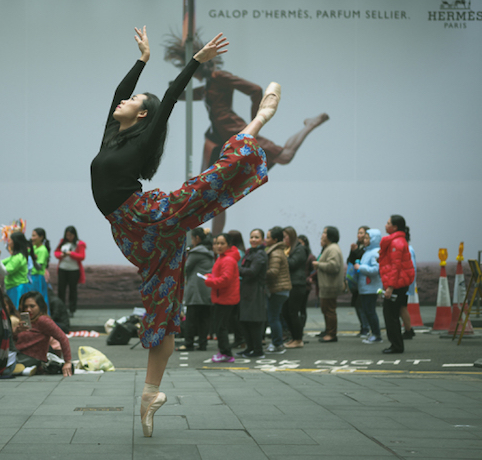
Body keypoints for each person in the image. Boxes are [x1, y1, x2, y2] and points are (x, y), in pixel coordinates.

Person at [89, 26, 277, 437]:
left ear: (142, 116)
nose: (124, 99)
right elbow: (117, 94)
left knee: (204, 187)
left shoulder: (141, 141)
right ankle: (150, 394)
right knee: (162, 306)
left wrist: (197, 60)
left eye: (134, 100)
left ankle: (253, 128)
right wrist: (141, 60)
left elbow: (169, 99)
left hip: (149, 217)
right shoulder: (111, 137)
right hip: (133, 236)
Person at [165, 34, 328, 236]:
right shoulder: (207, 86)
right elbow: (182, 95)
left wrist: (256, 122)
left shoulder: (219, 77)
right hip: (216, 141)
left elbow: (256, 90)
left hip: (236, 132)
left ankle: (310, 125)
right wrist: (178, 83)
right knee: (213, 193)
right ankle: (216, 243)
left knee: (284, 156)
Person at [379, 215, 415, 354]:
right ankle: (396, 344)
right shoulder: (397, 241)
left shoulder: (396, 243)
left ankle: (396, 345)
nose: (385, 225)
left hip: (396, 285)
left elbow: (396, 268)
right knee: (392, 314)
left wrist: (390, 287)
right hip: (398, 284)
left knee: (391, 316)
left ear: (394, 227)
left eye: (388, 223)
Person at [14, 291, 72, 377]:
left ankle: (30, 369)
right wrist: (17, 331)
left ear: (40, 307)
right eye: (26, 306)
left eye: (32, 306)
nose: (28, 309)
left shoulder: (43, 320)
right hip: (18, 354)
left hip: (32, 358)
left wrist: (68, 362)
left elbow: (63, 338)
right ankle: (27, 370)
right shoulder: (26, 320)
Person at [203, 233, 240, 363]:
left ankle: (226, 354)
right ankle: (224, 352)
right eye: (216, 243)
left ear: (229, 245)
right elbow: (220, 276)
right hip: (222, 297)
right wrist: (210, 277)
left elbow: (225, 280)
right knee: (220, 327)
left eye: (222, 243)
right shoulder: (222, 257)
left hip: (225, 298)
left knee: (220, 328)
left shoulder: (228, 260)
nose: (218, 246)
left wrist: (210, 282)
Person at [177, 227, 213, 352]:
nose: (191, 241)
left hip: (195, 290)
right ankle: (202, 344)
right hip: (207, 289)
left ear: (197, 238)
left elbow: (185, 269)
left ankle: (188, 343)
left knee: (191, 318)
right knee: (204, 319)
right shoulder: (210, 251)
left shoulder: (196, 252)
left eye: (192, 238)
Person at [237, 229, 268, 358]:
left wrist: (236, 268)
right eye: (251, 237)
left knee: (254, 322)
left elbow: (253, 271)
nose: (253, 240)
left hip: (256, 292)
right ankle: (249, 348)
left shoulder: (260, 254)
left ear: (262, 239)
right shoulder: (250, 252)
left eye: (256, 237)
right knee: (245, 321)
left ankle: (257, 350)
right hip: (247, 291)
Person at [312, 226, 345, 343]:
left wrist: (318, 264)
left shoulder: (333, 249)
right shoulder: (329, 248)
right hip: (327, 285)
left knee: (329, 310)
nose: (322, 235)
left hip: (330, 285)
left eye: (325, 233)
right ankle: (328, 331)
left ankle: (332, 334)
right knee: (326, 309)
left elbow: (333, 266)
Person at [353, 228, 383, 344]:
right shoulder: (367, 252)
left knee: (370, 311)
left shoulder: (375, 252)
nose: (364, 240)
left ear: (374, 239)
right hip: (366, 287)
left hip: (371, 287)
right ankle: (374, 333)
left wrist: (360, 268)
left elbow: (376, 269)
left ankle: (377, 335)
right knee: (367, 311)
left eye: (367, 238)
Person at [0, 231, 34, 309]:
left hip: (17, 288)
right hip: (13, 287)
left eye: (10, 240)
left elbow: (5, 272)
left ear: (15, 242)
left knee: (17, 310)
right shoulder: (15, 256)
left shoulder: (18, 257)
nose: (8, 242)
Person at [264, 227, 291, 354]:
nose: (265, 239)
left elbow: (273, 272)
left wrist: (261, 273)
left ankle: (277, 344)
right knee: (276, 317)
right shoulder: (278, 251)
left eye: (268, 237)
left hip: (278, 289)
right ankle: (277, 342)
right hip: (281, 289)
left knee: (273, 318)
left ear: (275, 239)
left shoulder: (275, 253)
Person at [282, 226, 308, 349]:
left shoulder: (300, 249)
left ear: (291, 236)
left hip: (297, 284)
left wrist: (282, 257)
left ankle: (298, 339)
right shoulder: (288, 249)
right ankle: (294, 338)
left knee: (293, 312)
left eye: (285, 236)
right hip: (289, 284)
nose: (283, 239)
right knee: (286, 312)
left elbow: (292, 264)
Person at [54, 226, 86, 317]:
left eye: (71, 235)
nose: (69, 237)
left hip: (74, 270)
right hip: (62, 269)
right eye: (67, 235)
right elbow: (56, 253)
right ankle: (61, 309)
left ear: (74, 235)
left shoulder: (80, 244)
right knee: (61, 290)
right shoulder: (62, 242)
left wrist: (71, 254)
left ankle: (72, 310)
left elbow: (82, 256)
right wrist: (61, 255)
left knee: (72, 290)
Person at [345, 226, 371, 337]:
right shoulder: (357, 245)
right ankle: (363, 327)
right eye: (358, 233)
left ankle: (366, 328)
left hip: (365, 280)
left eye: (361, 233)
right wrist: (352, 251)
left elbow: (363, 258)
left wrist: (356, 251)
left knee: (362, 306)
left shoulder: (368, 248)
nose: (359, 235)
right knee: (357, 305)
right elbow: (349, 261)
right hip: (356, 281)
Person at [30, 228, 51, 308]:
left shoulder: (42, 250)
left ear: (41, 237)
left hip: (38, 277)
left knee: (38, 300)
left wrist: (33, 258)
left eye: (34, 236)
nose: (32, 238)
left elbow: (39, 267)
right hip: (32, 277)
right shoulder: (34, 247)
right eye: (32, 235)